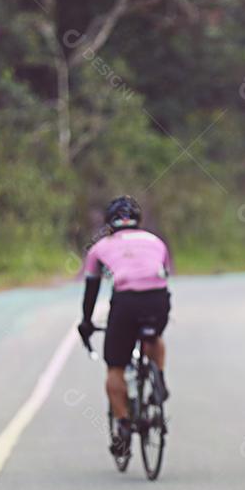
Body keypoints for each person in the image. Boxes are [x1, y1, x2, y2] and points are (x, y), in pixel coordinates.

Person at [77, 195, 172, 456]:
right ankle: (159, 380)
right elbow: (162, 274)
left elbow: (91, 290)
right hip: (158, 299)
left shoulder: (100, 247)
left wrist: (86, 323)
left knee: (115, 366)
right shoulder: (155, 241)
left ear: (110, 224)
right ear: (138, 222)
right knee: (153, 336)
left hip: (126, 302)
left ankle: (123, 427)